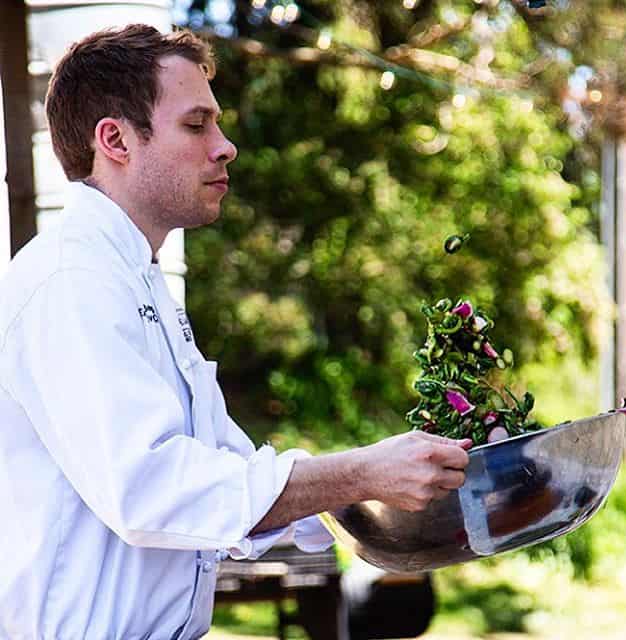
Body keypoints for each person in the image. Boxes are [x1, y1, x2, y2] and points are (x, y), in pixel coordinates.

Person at [0, 24, 472, 639]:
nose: (226, 148)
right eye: (197, 126)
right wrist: (363, 474)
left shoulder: (136, 279)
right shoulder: (70, 279)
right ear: (115, 139)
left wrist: (396, 483)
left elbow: (228, 468)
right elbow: (151, 489)